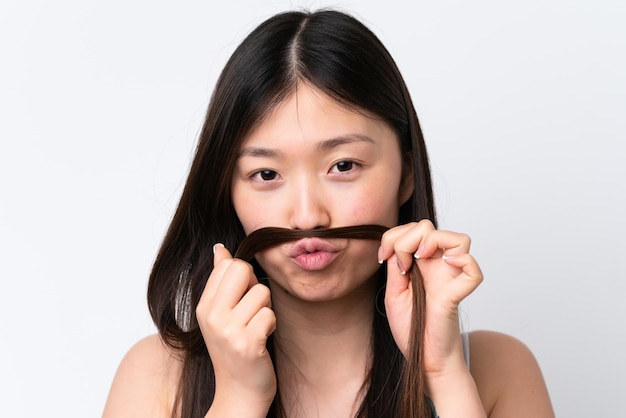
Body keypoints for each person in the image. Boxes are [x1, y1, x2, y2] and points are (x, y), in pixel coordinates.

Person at [103, 9, 554, 418]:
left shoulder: (499, 372)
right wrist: (239, 398)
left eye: (343, 166)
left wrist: (443, 372)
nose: (306, 217)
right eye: (265, 173)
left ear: (407, 173)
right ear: (227, 190)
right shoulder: (156, 380)